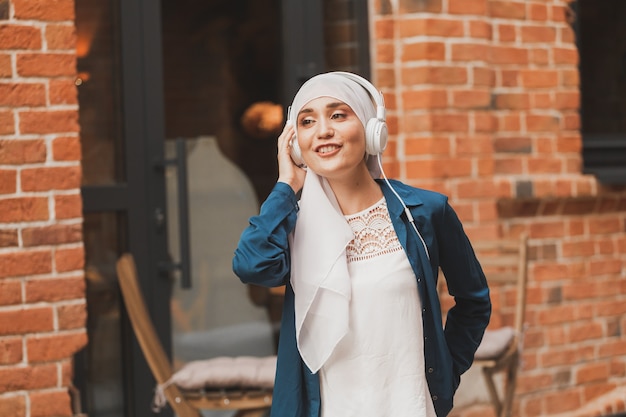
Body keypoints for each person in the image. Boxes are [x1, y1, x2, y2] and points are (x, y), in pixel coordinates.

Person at [232, 71, 491, 417]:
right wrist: (284, 185)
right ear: (295, 143)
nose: (323, 130)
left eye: (338, 115)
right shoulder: (292, 224)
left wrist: (445, 373)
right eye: (307, 122)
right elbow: (251, 265)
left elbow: (473, 303)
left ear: (371, 130)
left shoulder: (425, 213)